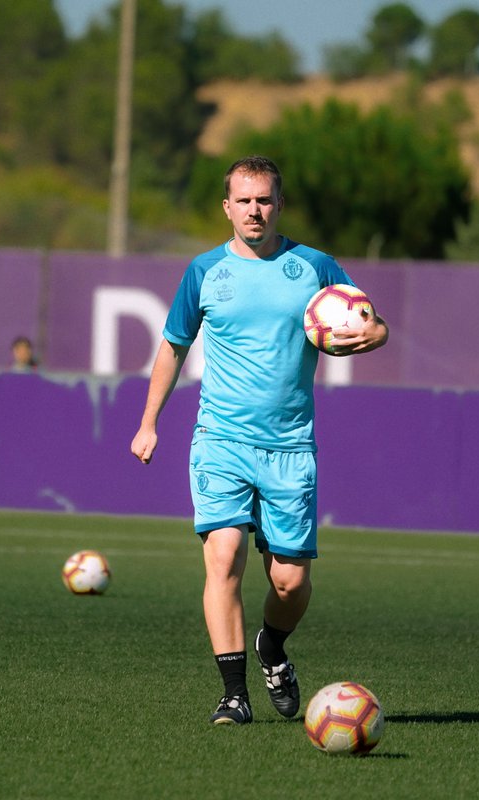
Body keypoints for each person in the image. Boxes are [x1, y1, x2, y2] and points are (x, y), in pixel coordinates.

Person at [130, 155, 388, 725]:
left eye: (264, 199)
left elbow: (373, 322)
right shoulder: (203, 271)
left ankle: (271, 645)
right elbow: (173, 346)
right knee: (224, 555)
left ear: (279, 205)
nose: (254, 210)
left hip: (290, 448)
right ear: (227, 207)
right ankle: (233, 693)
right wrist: (149, 421)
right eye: (243, 200)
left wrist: (371, 335)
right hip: (219, 439)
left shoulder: (315, 267)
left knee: (291, 582)